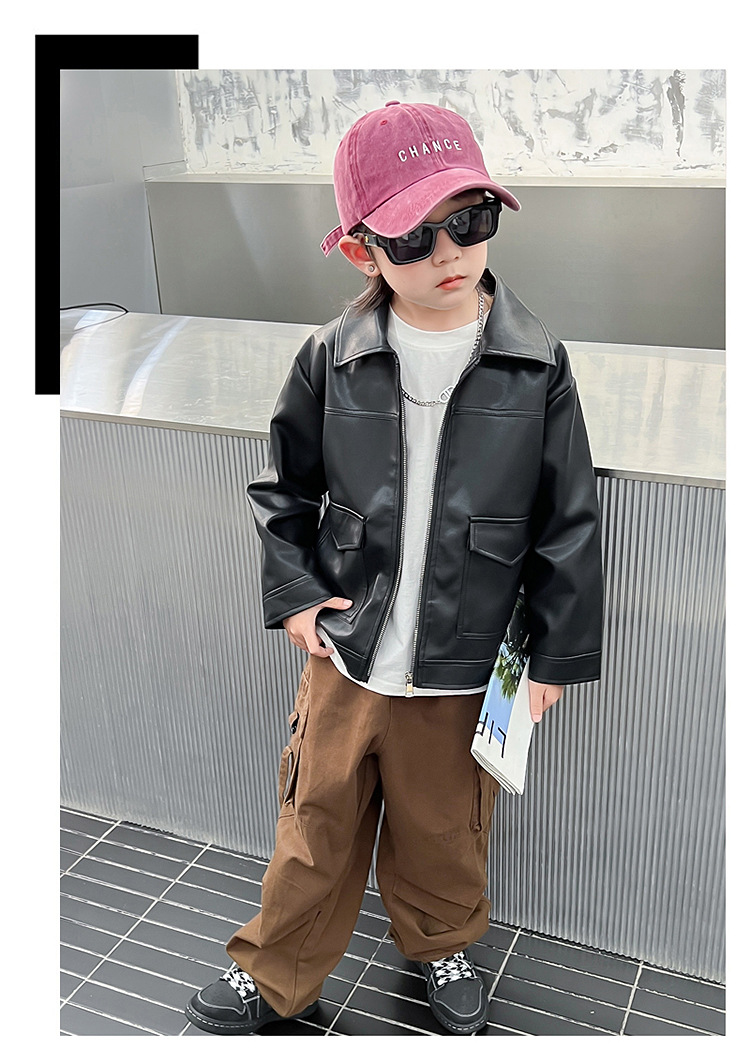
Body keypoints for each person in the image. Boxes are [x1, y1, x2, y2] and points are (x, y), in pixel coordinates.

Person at [185, 100, 603, 1036]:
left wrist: (553, 654)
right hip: (349, 650)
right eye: (414, 237)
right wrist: (297, 596)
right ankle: (278, 968)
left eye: (471, 220)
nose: (449, 252)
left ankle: (442, 942)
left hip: (465, 658)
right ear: (361, 251)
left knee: (446, 826)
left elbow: (569, 520)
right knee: (316, 820)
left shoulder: (536, 365)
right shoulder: (332, 357)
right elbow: (282, 488)